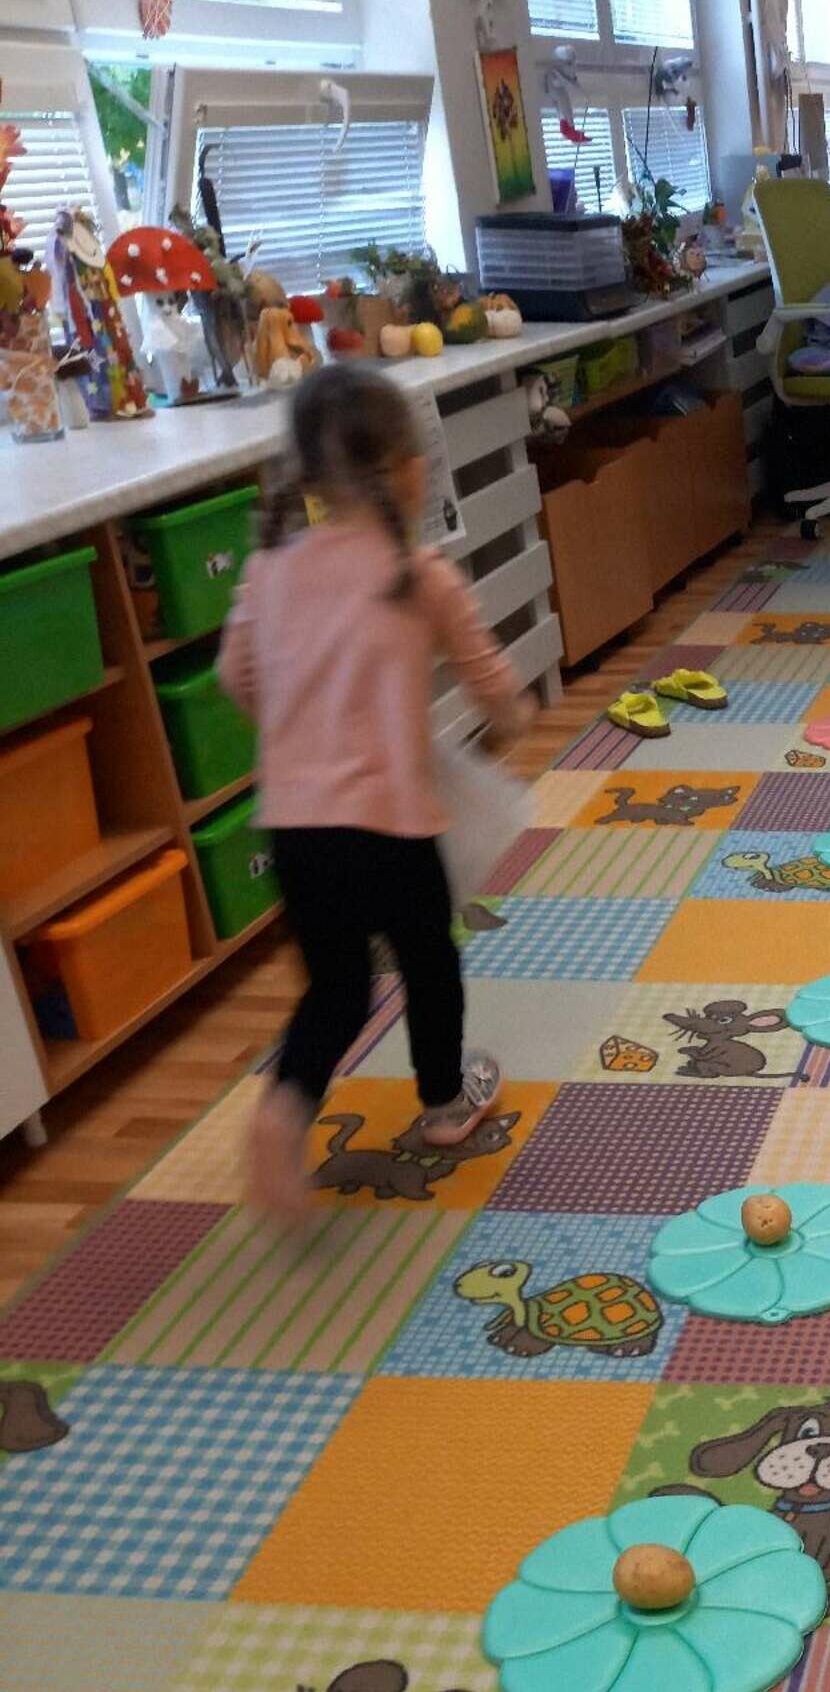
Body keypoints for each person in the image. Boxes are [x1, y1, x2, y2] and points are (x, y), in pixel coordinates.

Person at [223, 364, 529, 1217]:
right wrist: (511, 721)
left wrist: (297, 738)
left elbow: (236, 677)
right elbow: (492, 687)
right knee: (429, 962)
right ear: (404, 469)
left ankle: (283, 1111)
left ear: (306, 474)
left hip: (295, 827)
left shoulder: (269, 571)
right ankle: (444, 1102)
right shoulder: (417, 574)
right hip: (391, 827)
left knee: (336, 987)